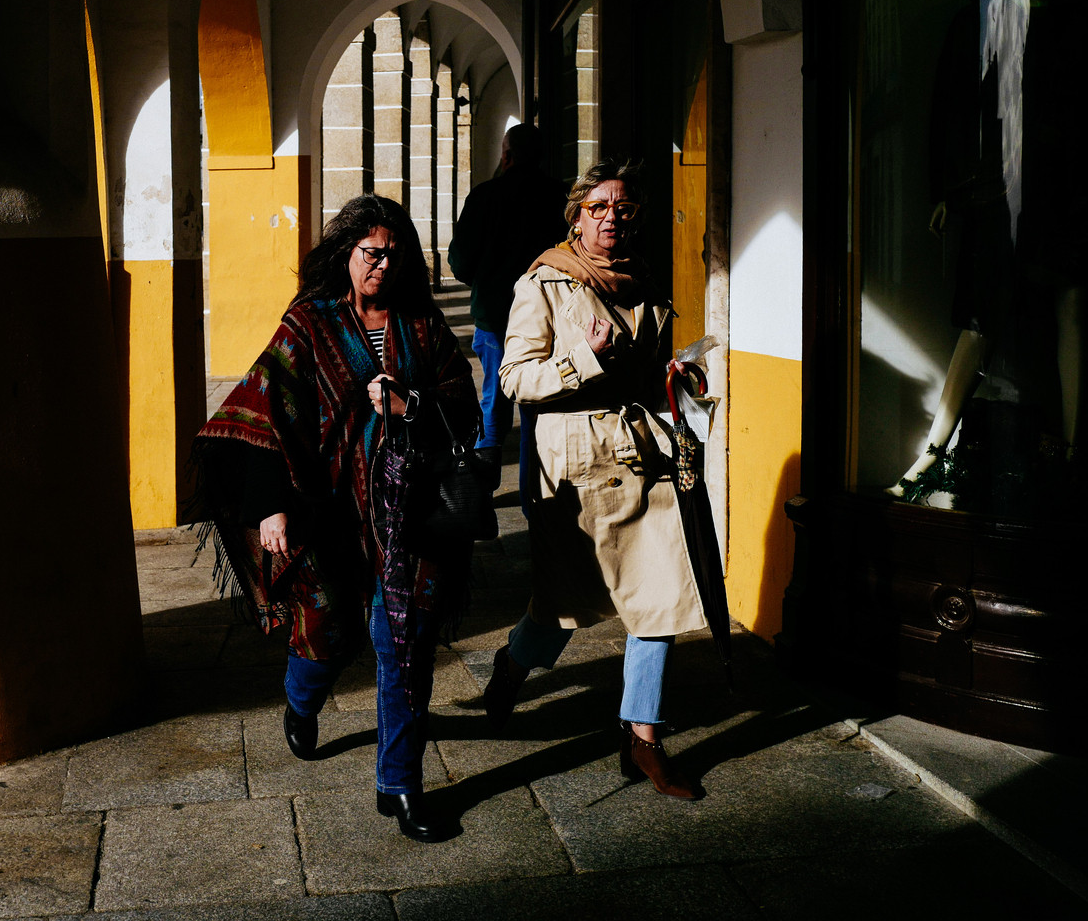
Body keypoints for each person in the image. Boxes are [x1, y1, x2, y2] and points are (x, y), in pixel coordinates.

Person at [193, 194, 480, 842]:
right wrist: (268, 504)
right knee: (326, 631)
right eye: (370, 253)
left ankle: (400, 786)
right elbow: (263, 405)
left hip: (408, 519)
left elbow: (463, 407)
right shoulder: (310, 323)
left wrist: (410, 403)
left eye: (393, 254)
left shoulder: (424, 326)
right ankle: (302, 700)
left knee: (402, 650)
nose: (382, 265)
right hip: (326, 515)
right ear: (347, 255)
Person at [484, 158, 709, 799]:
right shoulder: (545, 283)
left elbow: (646, 366)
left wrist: (679, 379)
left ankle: (642, 739)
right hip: (577, 464)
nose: (612, 218)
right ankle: (512, 665)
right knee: (563, 607)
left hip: (641, 451)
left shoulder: (642, 279)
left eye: (624, 208)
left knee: (661, 596)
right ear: (577, 216)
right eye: (599, 207)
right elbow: (515, 380)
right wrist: (582, 356)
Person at [446, 122, 568, 472]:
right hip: (551, 316)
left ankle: (484, 486)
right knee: (539, 403)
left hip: (496, 315)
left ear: (507, 155)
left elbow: (460, 262)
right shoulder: (558, 197)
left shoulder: (485, 196)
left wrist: (487, 279)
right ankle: (536, 497)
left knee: (494, 400)